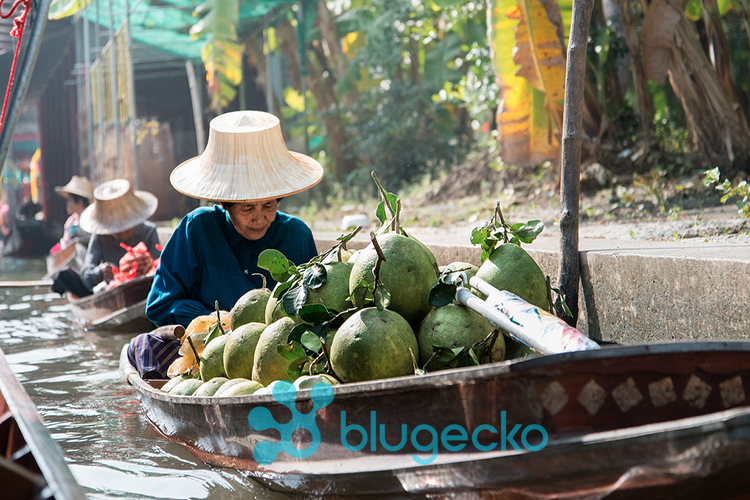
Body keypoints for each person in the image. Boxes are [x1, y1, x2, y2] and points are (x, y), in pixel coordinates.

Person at [145, 110, 323, 330]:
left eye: (269, 205)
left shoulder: (297, 235)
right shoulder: (197, 229)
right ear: (224, 204)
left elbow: (316, 307)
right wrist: (214, 322)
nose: (259, 218)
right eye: (247, 207)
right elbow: (160, 305)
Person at [56, 178, 161, 298]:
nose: (121, 233)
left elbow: (160, 268)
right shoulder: (100, 236)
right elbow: (87, 274)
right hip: (113, 293)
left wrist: (149, 266)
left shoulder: (149, 232)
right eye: (115, 229)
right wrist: (100, 271)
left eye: (126, 227)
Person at [49, 176, 95, 296]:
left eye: (69, 200)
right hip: (77, 270)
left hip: (92, 268)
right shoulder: (70, 223)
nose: (67, 204)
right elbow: (65, 248)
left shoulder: (94, 219)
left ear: (79, 200)